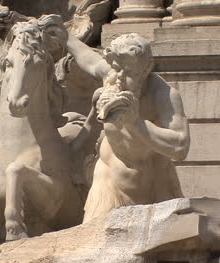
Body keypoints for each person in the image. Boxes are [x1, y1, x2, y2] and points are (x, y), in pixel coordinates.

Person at [66, 33, 191, 223]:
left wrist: (136, 124)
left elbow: (180, 148)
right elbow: (88, 59)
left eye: (129, 72)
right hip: (107, 186)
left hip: (155, 190)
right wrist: (64, 35)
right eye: (116, 68)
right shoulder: (111, 77)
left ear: (146, 69)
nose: (120, 77)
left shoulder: (163, 94)